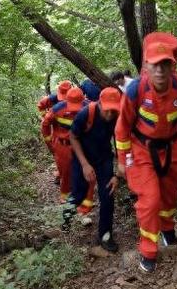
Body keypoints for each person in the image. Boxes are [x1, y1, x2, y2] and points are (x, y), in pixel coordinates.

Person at [114, 32, 177, 273]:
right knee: (150, 199)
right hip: (141, 149)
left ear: (173, 65)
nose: (160, 70)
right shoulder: (135, 91)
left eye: (165, 64)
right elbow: (122, 128)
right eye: (155, 64)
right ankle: (148, 249)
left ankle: (167, 229)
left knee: (169, 196)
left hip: (171, 147)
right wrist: (123, 161)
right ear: (146, 65)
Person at [66, 87, 122, 252]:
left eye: (113, 110)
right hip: (82, 157)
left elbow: (120, 141)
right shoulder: (86, 113)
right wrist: (84, 164)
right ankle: (63, 220)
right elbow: (73, 136)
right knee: (78, 194)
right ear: (99, 103)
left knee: (108, 196)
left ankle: (105, 235)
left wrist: (118, 173)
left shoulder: (117, 116)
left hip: (104, 158)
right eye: (107, 110)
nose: (110, 114)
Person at [41, 87, 95, 208]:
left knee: (86, 172)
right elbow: (45, 124)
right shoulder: (57, 109)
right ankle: (66, 201)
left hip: (83, 145)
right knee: (65, 174)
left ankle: (84, 203)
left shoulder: (90, 107)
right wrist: (50, 143)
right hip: (63, 146)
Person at [37, 80, 72, 185]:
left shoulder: (75, 99)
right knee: (60, 154)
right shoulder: (52, 98)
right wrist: (46, 116)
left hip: (72, 130)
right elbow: (40, 105)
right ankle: (60, 175)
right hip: (57, 129)